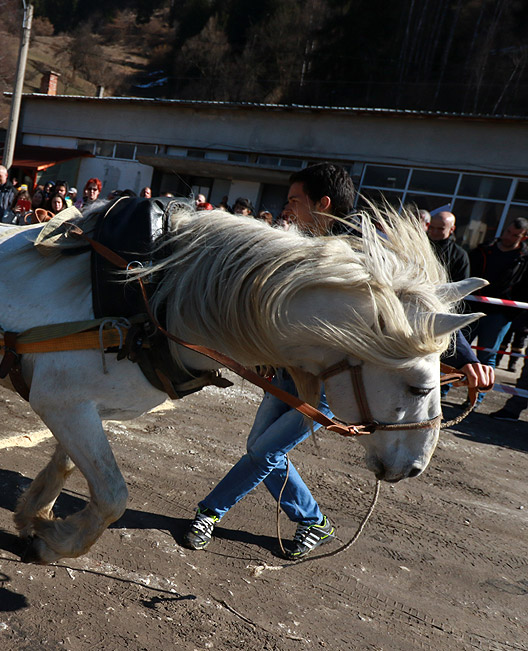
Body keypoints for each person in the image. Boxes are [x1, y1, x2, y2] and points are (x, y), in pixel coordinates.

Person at [184, 162, 494, 559]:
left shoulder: (365, 247)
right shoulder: (299, 241)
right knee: (261, 448)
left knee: (264, 452)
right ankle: (313, 520)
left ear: (322, 203)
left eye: (295, 201)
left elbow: (422, 306)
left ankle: (210, 511)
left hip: (340, 377)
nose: (287, 209)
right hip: (291, 367)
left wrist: (468, 359)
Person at [466, 219, 528, 368]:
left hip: (498, 316)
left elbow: (524, 290)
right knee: (458, 352)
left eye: (515, 235)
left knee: (486, 357)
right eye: (508, 232)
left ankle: (480, 391)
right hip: (472, 309)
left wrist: (509, 314)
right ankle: (444, 389)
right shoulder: (483, 250)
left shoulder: (524, 260)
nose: (508, 237)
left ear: (524, 237)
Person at [426, 210, 469, 282]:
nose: (435, 232)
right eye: (432, 227)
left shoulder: (459, 255)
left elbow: (460, 284)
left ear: (452, 229)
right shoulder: (418, 245)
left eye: (440, 229)